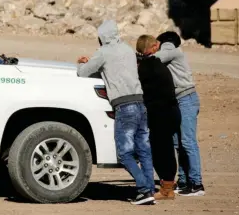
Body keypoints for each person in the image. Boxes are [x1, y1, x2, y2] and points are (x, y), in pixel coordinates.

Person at [77, 20, 155, 205]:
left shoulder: (103, 52)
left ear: (102, 37)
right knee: (144, 150)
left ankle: (143, 189)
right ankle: (150, 189)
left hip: (124, 106)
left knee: (124, 153)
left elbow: (84, 73)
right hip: (141, 103)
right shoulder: (128, 49)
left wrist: (81, 63)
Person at [155, 31, 205, 196]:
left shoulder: (171, 50)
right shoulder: (171, 54)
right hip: (178, 101)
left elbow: (155, 58)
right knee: (178, 143)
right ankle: (184, 181)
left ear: (165, 43)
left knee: (188, 142)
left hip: (186, 99)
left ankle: (197, 184)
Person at [135, 35, 181, 200]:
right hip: (168, 113)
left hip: (162, 115)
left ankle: (167, 188)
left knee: (163, 150)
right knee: (164, 149)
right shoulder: (156, 65)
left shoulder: (148, 67)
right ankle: (167, 185)